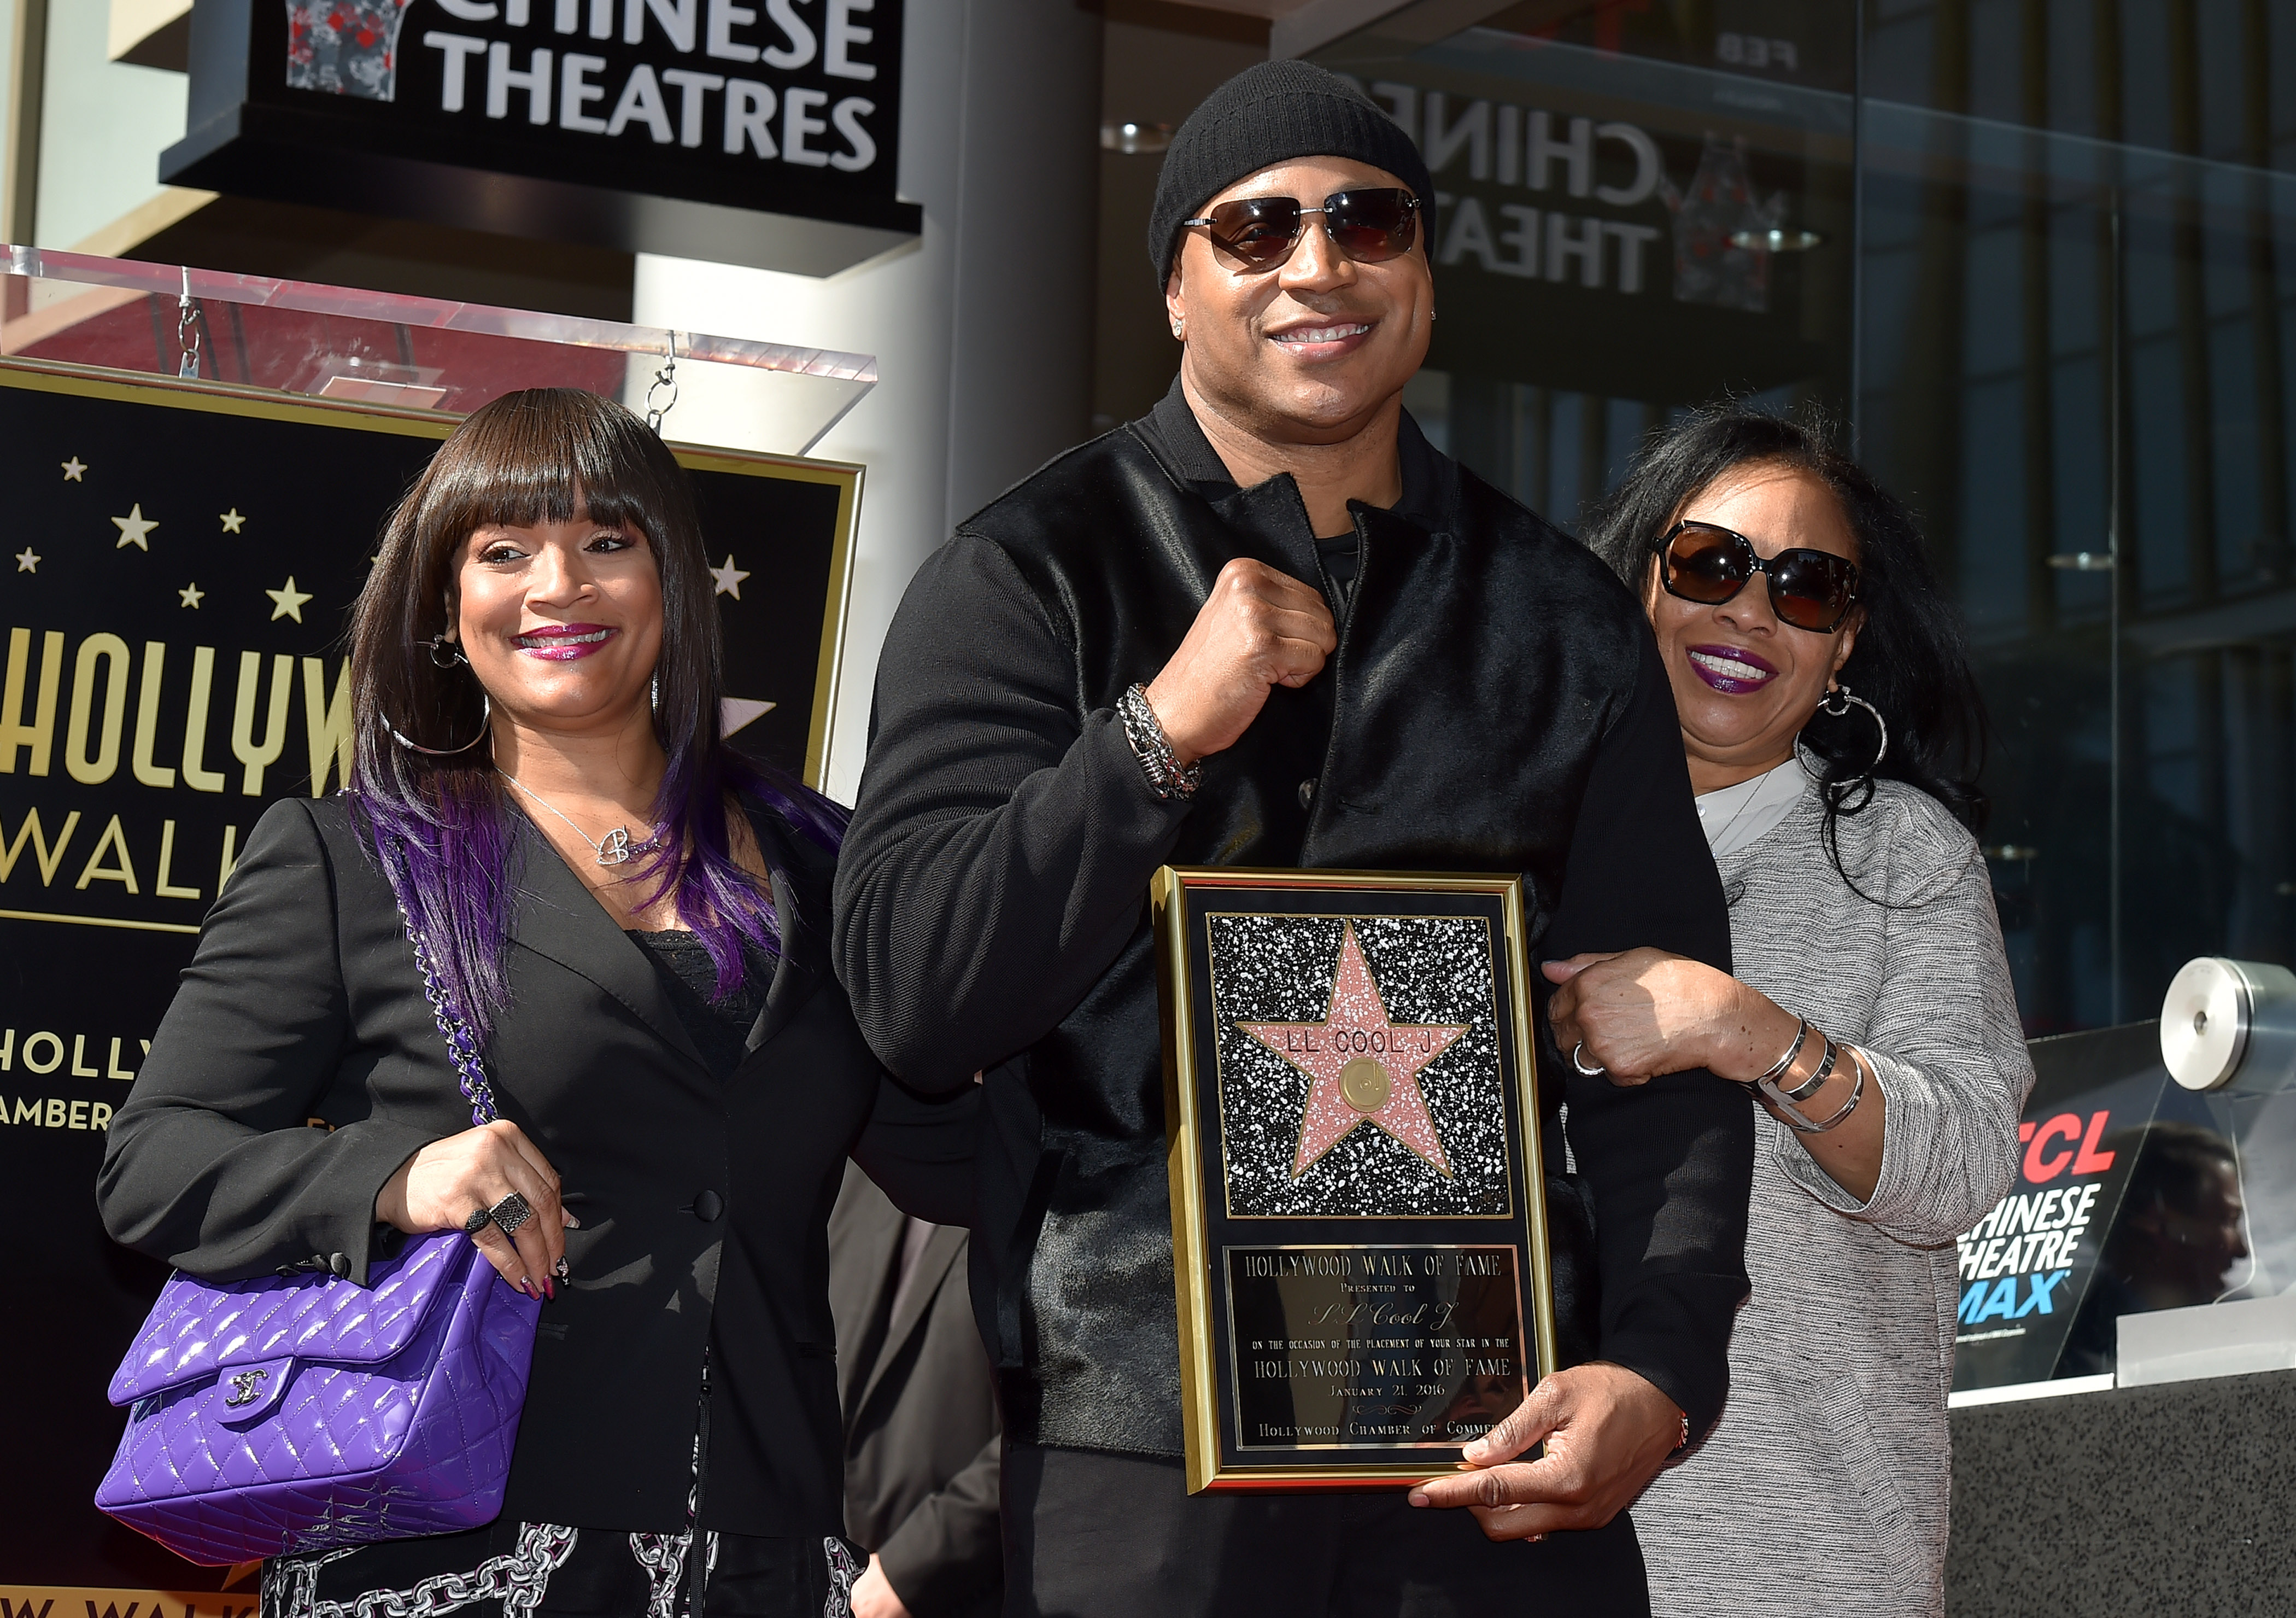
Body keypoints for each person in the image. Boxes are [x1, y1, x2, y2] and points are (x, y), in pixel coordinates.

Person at [833, 60, 1754, 1616]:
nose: (1317, 264)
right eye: (1256, 229)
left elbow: (1656, 1046)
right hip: (1137, 1434)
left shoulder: (1563, 620)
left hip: (1495, 1440)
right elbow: (915, 992)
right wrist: (1153, 734)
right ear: (1178, 289)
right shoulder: (1022, 579)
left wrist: (1659, 1368)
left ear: (1425, 278)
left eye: (1366, 221)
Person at [96, 389, 974, 1618]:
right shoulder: (349, 858)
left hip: (768, 1551)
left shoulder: (829, 860)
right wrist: (395, 1179)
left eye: (609, 541)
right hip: (451, 1552)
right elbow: (152, 1164)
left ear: (675, 583)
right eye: (505, 551)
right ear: (450, 609)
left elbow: (962, 1160)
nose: (560, 584)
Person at [1518, 408, 2034, 1618]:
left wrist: (1745, 1032)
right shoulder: (1506, 842)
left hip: (1795, 1560)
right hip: (1498, 1537)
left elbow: (1963, 1164)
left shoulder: (1904, 857)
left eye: (1806, 588)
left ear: (1843, 644)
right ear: (1637, 581)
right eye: (1710, 564)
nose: (1751, 611)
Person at [827, 1164, 1002, 1618]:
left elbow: (1062, 1406)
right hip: (821, 1576)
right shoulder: (854, 1155)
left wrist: (908, 1572)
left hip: (958, 1594)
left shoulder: (1047, 1163)